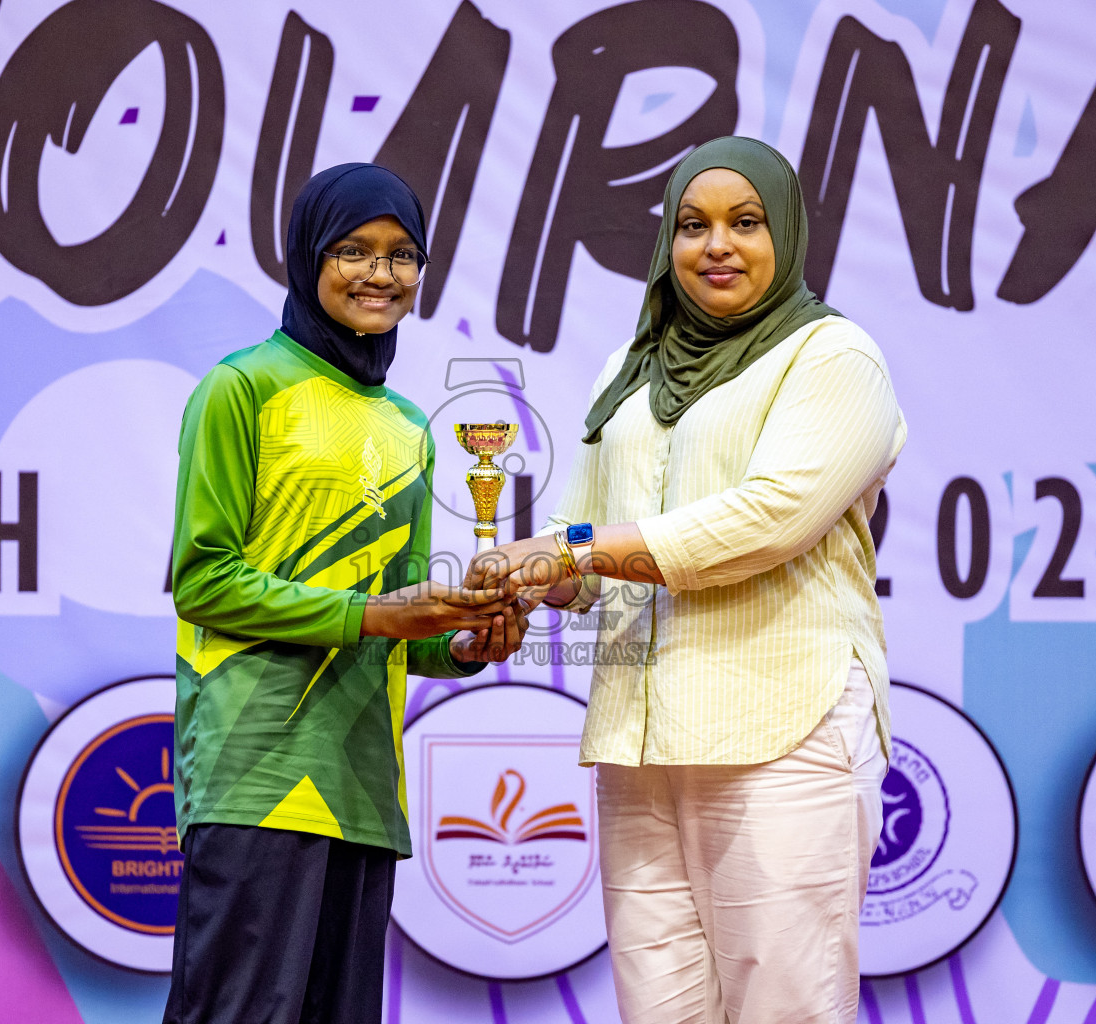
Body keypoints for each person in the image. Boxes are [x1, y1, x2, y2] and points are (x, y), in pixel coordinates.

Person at [467, 136, 906, 1024]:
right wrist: (523, 571)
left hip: (780, 727)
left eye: (746, 223)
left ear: (785, 232)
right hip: (640, 743)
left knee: (787, 1005)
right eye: (693, 225)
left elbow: (765, 522)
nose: (717, 246)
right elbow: (582, 544)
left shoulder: (831, 357)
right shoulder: (631, 375)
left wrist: (575, 549)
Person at [166, 162, 527, 1024]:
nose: (381, 273)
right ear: (305, 257)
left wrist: (469, 640)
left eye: (404, 255)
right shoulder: (243, 388)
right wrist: (376, 615)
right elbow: (202, 579)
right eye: (354, 250)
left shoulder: (407, 424)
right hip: (255, 770)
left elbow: (406, 615)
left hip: (362, 781)